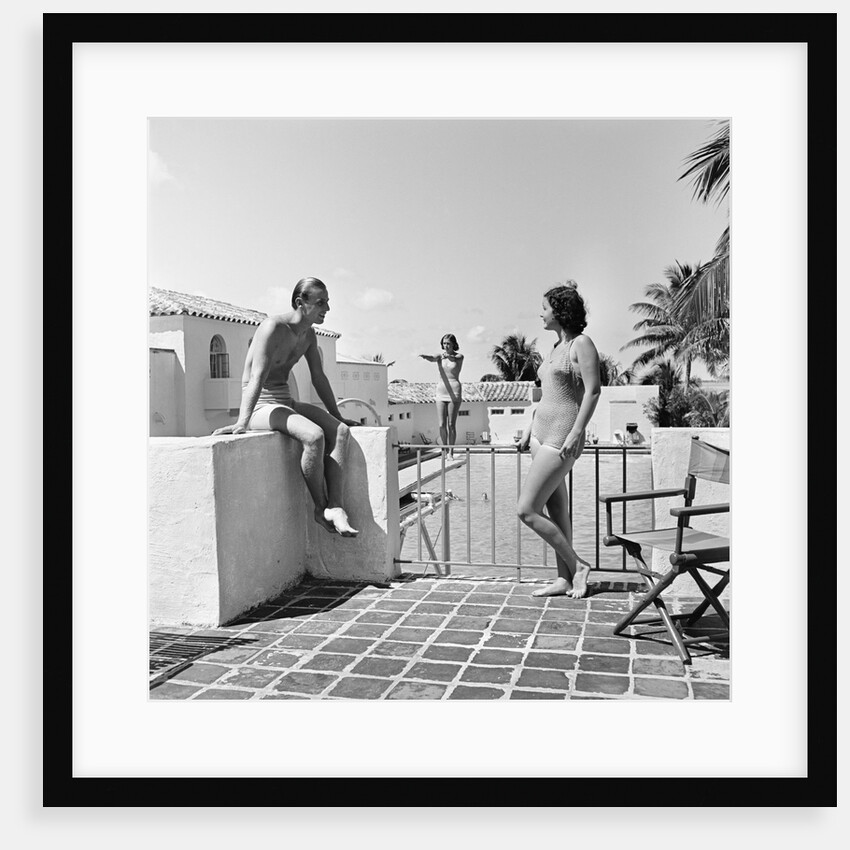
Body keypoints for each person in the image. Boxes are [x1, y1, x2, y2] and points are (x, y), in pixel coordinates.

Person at [212, 277, 359, 537]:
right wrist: (242, 422)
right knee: (313, 436)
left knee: (340, 432)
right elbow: (257, 376)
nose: (327, 308)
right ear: (300, 303)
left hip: (285, 401)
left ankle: (336, 506)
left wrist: (336, 415)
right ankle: (320, 508)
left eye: (327, 302)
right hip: (261, 406)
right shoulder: (273, 328)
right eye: (320, 302)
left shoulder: (308, 334)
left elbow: (319, 377)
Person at [517, 282, 601, 598]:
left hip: (562, 436)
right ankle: (563, 579)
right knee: (557, 512)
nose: (541, 312)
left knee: (526, 510)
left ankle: (578, 566)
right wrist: (530, 424)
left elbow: (592, 390)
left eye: (545, 307)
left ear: (560, 310)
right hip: (540, 434)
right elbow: (549, 395)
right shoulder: (554, 348)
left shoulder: (582, 344)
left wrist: (578, 432)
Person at [419, 334, 464, 455]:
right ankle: (444, 448)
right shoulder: (440, 357)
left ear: (454, 344)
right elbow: (433, 357)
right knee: (441, 424)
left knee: (451, 424)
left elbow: (455, 358)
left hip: (454, 391)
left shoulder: (459, 356)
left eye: (448, 343)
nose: (446, 346)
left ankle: (451, 451)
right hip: (441, 391)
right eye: (444, 343)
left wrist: (447, 356)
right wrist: (425, 356)